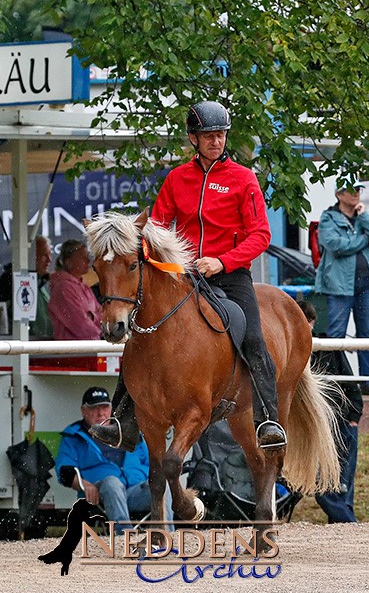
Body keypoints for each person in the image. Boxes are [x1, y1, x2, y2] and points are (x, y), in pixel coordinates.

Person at [90, 101, 286, 452]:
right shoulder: (177, 178)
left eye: (221, 135)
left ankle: (268, 420)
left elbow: (261, 235)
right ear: (193, 138)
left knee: (255, 339)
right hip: (183, 274)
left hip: (229, 275)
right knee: (140, 338)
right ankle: (123, 419)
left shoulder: (243, 178)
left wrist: (222, 262)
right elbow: (158, 227)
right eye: (209, 136)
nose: (216, 141)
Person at [54, 387, 173, 532]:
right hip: (101, 495)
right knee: (112, 482)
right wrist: (84, 485)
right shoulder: (74, 436)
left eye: (104, 407)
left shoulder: (127, 432)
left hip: (136, 492)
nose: (100, 413)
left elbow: (152, 463)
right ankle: (124, 535)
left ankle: (167, 535)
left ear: (111, 408)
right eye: (94, 408)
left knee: (162, 485)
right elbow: (65, 472)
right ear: (83, 411)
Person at [314, 182, 369, 396]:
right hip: (339, 286)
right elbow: (336, 246)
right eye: (351, 190)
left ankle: (367, 380)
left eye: (358, 190)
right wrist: (363, 239)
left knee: (366, 334)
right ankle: (333, 380)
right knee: (336, 335)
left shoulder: (363, 215)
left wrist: (365, 218)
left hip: (367, 285)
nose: (356, 194)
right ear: (339, 194)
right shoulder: (328, 217)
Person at [299, 300, 361, 522]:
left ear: (312, 323)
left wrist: (354, 417)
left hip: (342, 422)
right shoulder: (290, 351)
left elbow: (350, 381)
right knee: (324, 487)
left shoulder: (328, 347)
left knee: (342, 486)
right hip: (316, 429)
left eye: (304, 322)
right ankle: (351, 527)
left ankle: (346, 529)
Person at [48, 239, 102, 340]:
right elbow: (80, 325)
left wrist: (92, 317)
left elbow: (103, 314)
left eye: (87, 257)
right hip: (72, 351)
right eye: (83, 257)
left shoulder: (84, 286)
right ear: (68, 262)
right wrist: (100, 329)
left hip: (88, 347)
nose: (88, 261)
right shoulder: (63, 288)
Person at [30, 235, 54, 339]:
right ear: (30, 257)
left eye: (49, 255)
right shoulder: (15, 286)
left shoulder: (45, 284)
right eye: (44, 256)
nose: (49, 260)